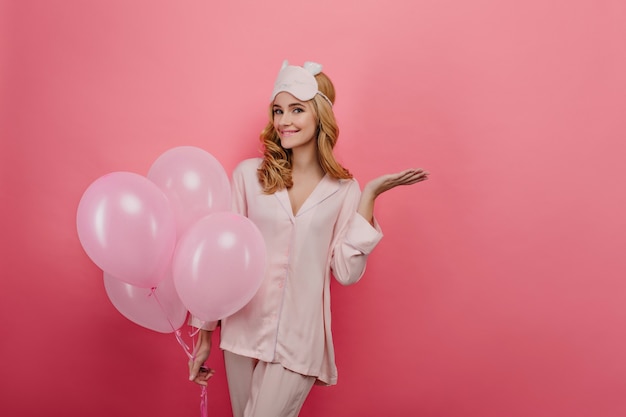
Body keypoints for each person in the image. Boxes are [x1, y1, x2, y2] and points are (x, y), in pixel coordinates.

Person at [187, 60, 429, 417]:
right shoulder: (247, 177)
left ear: (320, 116)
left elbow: (347, 272)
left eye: (296, 110)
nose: (284, 120)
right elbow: (223, 260)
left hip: (300, 338)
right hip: (242, 330)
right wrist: (205, 333)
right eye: (278, 110)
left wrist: (370, 196)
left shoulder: (344, 190)